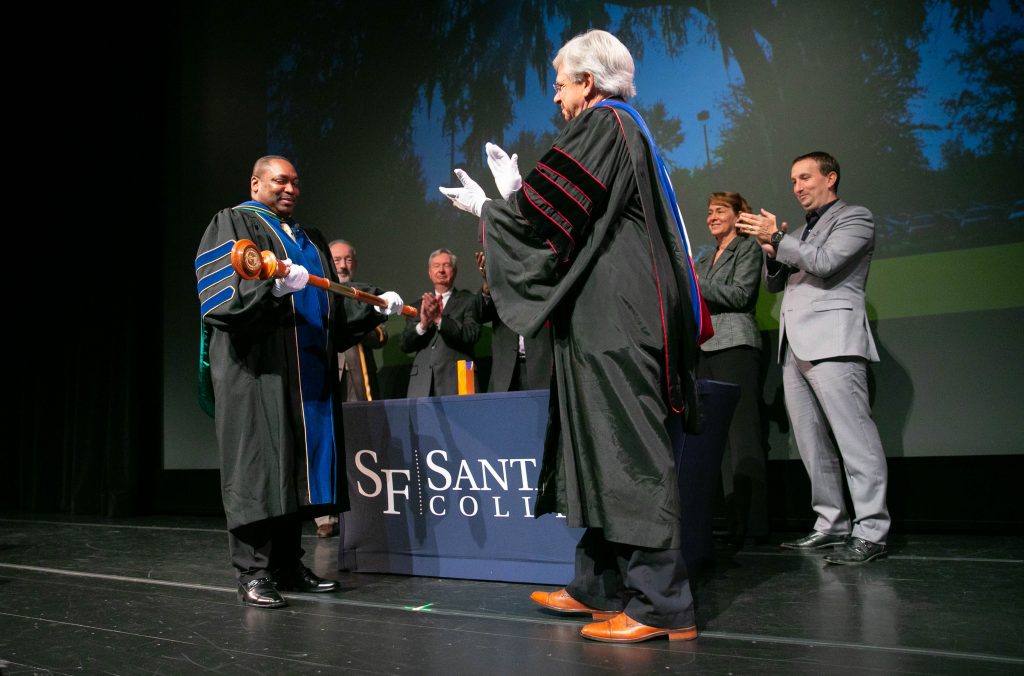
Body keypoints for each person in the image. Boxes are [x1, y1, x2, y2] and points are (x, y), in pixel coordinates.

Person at [439, 29, 706, 643]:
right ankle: (599, 584)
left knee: (629, 451)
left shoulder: (604, 123)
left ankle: (661, 604)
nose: (556, 99)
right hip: (603, 314)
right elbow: (568, 213)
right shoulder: (622, 128)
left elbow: (542, 217)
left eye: (560, 85)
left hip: (618, 315)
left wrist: (494, 207)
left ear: (587, 81)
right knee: (600, 446)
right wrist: (512, 199)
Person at [194, 155, 404, 608]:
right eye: (279, 180)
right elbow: (218, 299)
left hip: (307, 375)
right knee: (259, 470)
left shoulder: (309, 239)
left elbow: (330, 307)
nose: (290, 188)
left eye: (295, 182)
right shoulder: (232, 224)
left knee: (294, 474)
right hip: (258, 374)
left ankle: (288, 564)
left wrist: (372, 307)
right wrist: (270, 289)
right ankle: (253, 571)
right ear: (256, 183)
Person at [736, 151, 890, 565]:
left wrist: (782, 241)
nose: (797, 187)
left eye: (804, 178)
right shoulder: (802, 230)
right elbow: (775, 286)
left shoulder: (856, 218)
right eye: (792, 181)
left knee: (855, 439)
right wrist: (771, 251)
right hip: (795, 347)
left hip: (834, 342)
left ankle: (872, 529)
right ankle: (831, 524)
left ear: (831, 178)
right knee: (811, 444)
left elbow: (824, 263)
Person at [695, 192, 769, 549]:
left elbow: (741, 295)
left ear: (740, 215)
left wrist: (693, 285)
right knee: (716, 440)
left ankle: (752, 524)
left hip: (735, 347)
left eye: (720, 211)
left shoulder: (748, 248)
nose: (712, 217)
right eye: (709, 212)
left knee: (743, 438)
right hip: (702, 352)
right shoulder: (704, 256)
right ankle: (729, 520)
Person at [312, 239, 389, 539]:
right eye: (337, 259)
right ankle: (325, 519)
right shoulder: (319, 291)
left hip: (359, 383)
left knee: (361, 449)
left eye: (347, 260)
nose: (342, 265)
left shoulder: (363, 295)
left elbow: (380, 338)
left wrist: (360, 317)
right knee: (325, 449)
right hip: (326, 379)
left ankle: (363, 514)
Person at [399, 249, 481, 397]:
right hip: (422, 383)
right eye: (436, 266)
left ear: (454, 271)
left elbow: (471, 335)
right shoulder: (417, 306)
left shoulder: (469, 300)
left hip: (459, 379)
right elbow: (405, 345)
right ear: (429, 273)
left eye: (446, 265)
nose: (441, 270)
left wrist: (439, 319)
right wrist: (422, 325)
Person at [474, 251, 553, 392]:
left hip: (541, 371)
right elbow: (480, 315)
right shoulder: (500, 285)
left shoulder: (546, 280)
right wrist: (487, 283)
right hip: (505, 374)